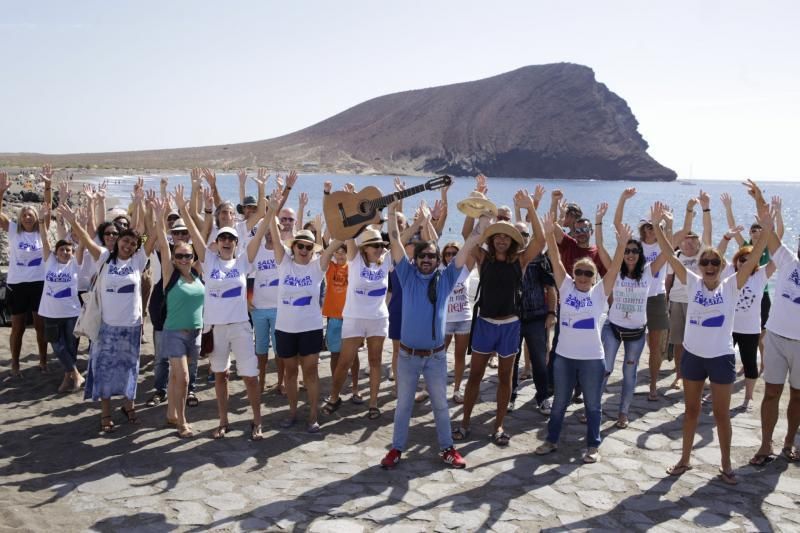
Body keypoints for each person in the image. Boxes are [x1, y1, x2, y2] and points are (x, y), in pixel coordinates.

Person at [651, 193, 771, 485]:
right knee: (691, 411)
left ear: (721, 265)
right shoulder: (691, 281)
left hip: (720, 358)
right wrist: (658, 228)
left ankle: (726, 464)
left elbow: (756, 255)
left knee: (721, 415)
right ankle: (684, 459)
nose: (708, 265)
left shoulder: (732, 285)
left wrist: (765, 221)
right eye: (704, 261)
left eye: (713, 262)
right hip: (693, 356)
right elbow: (668, 254)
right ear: (699, 265)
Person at [380, 197, 482, 470]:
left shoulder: (446, 279)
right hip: (408, 356)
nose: (427, 259)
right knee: (403, 407)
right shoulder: (406, 275)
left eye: (431, 256)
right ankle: (396, 449)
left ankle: (447, 449)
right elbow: (394, 241)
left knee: (440, 405)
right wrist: (392, 211)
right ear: (416, 259)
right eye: (422, 255)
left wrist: (483, 215)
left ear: (438, 261)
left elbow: (472, 240)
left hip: (436, 357)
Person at [454, 190, 546, 446]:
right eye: (498, 236)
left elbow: (540, 239)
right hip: (484, 323)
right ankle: (464, 423)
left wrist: (530, 208)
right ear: (492, 238)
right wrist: (476, 208)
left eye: (507, 236)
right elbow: (466, 236)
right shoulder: (483, 259)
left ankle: (499, 425)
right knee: (475, 376)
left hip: (510, 326)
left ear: (513, 240)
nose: (502, 240)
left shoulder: (521, 260)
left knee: (505, 379)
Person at [534, 212, 629, 463]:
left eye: (588, 273)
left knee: (593, 405)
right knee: (560, 403)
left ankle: (593, 446)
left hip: (591, 359)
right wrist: (547, 233)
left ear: (594, 276)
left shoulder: (599, 293)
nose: (584, 277)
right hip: (564, 358)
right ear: (573, 274)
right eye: (580, 272)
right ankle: (551, 440)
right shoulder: (564, 286)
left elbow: (615, 268)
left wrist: (621, 246)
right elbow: (554, 257)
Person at [59, 197, 158, 433]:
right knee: (104, 370)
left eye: (133, 243)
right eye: (125, 241)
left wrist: (153, 211)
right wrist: (73, 221)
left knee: (129, 369)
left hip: (132, 327)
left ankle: (128, 406)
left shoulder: (138, 260)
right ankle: (105, 413)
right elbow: (84, 237)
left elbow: (152, 236)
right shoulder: (104, 256)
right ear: (118, 242)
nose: (128, 245)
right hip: (106, 327)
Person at [177, 185, 264, 440]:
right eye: (223, 238)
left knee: (250, 376)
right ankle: (223, 421)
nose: (227, 242)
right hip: (215, 329)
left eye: (231, 239)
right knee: (220, 375)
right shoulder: (209, 260)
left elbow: (259, 234)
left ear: (237, 242)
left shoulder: (243, 261)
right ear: (217, 242)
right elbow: (193, 233)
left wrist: (272, 208)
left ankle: (257, 421)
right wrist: (183, 208)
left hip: (239, 327)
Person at [268, 194, 340, 433]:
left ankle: (312, 414)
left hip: (310, 328)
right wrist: (272, 208)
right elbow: (275, 233)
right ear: (294, 246)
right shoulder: (284, 262)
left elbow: (336, 241)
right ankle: (291, 411)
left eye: (309, 247)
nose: (305, 250)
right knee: (290, 371)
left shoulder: (317, 266)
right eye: (301, 246)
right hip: (285, 328)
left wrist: (342, 213)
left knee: (310, 372)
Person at [602, 191, 669, 428]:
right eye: (627, 251)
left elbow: (669, 252)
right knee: (606, 369)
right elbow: (607, 238)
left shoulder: (650, 271)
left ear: (640, 255)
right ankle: (594, 408)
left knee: (629, 374)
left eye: (634, 251)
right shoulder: (615, 271)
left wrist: (662, 226)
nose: (630, 254)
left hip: (636, 333)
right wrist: (621, 200)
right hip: (613, 328)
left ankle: (623, 413)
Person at [748, 185, 800, 465]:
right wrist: (760, 201)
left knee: (798, 396)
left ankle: (789, 441)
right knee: (771, 392)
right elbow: (767, 228)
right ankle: (766, 444)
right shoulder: (789, 262)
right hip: (777, 337)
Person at [324, 228, 390, 418]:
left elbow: (400, 239)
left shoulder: (386, 260)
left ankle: (373, 404)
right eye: (375, 246)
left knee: (375, 361)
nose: (379, 248)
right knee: (344, 361)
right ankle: (334, 397)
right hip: (354, 317)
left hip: (378, 318)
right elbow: (350, 234)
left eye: (380, 245)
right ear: (365, 248)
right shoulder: (355, 259)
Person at [153, 200, 204, 438]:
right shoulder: (169, 275)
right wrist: (159, 214)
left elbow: (202, 242)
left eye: (188, 256)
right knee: (183, 377)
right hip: (173, 333)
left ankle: (171, 413)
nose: (184, 259)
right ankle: (182, 421)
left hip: (195, 333)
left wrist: (188, 212)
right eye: (180, 256)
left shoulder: (197, 273)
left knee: (176, 377)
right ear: (174, 258)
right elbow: (163, 243)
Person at [0, 169, 52, 376]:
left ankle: (43, 361)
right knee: (17, 328)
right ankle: (15, 363)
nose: (28, 217)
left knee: (41, 326)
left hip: (39, 284)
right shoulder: (14, 231)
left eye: (31, 214)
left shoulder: (42, 230)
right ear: (20, 219)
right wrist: (1, 192)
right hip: (17, 285)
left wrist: (48, 186)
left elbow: (47, 209)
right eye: (24, 215)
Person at [36, 203, 83, 392]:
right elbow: (45, 239)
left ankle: (67, 379)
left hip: (71, 312)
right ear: (56, 252)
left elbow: (83, 244)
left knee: (71, 347)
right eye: (62, 250)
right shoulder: (49, 262)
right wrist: (41, 220)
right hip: (50, 312)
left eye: (68, 250)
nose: (65, 252)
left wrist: (76, 222)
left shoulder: (75, 264)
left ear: (72, 253)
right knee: (57, 345)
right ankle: (76, 374)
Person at [321, 242, 361, 403]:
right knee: (335, 354)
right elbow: (324, 251)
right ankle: (334, 389)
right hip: (334, 318)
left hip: (351, 318)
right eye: (337, 252)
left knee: (354, 355)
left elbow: (355, 253)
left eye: (342, 252)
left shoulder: (352, 267)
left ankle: (355, 388)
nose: (339, 255)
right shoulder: (330, 268)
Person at [441, 242, 472, 404]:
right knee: (438, 356)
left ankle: (457, 389)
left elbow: (472, 244)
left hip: (463, 319)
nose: (451, 256)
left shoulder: (465, 269)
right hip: (445, 321)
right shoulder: (440, 270)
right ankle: (429, 388)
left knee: (459, 356)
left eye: (454, 253)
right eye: (447, 253)